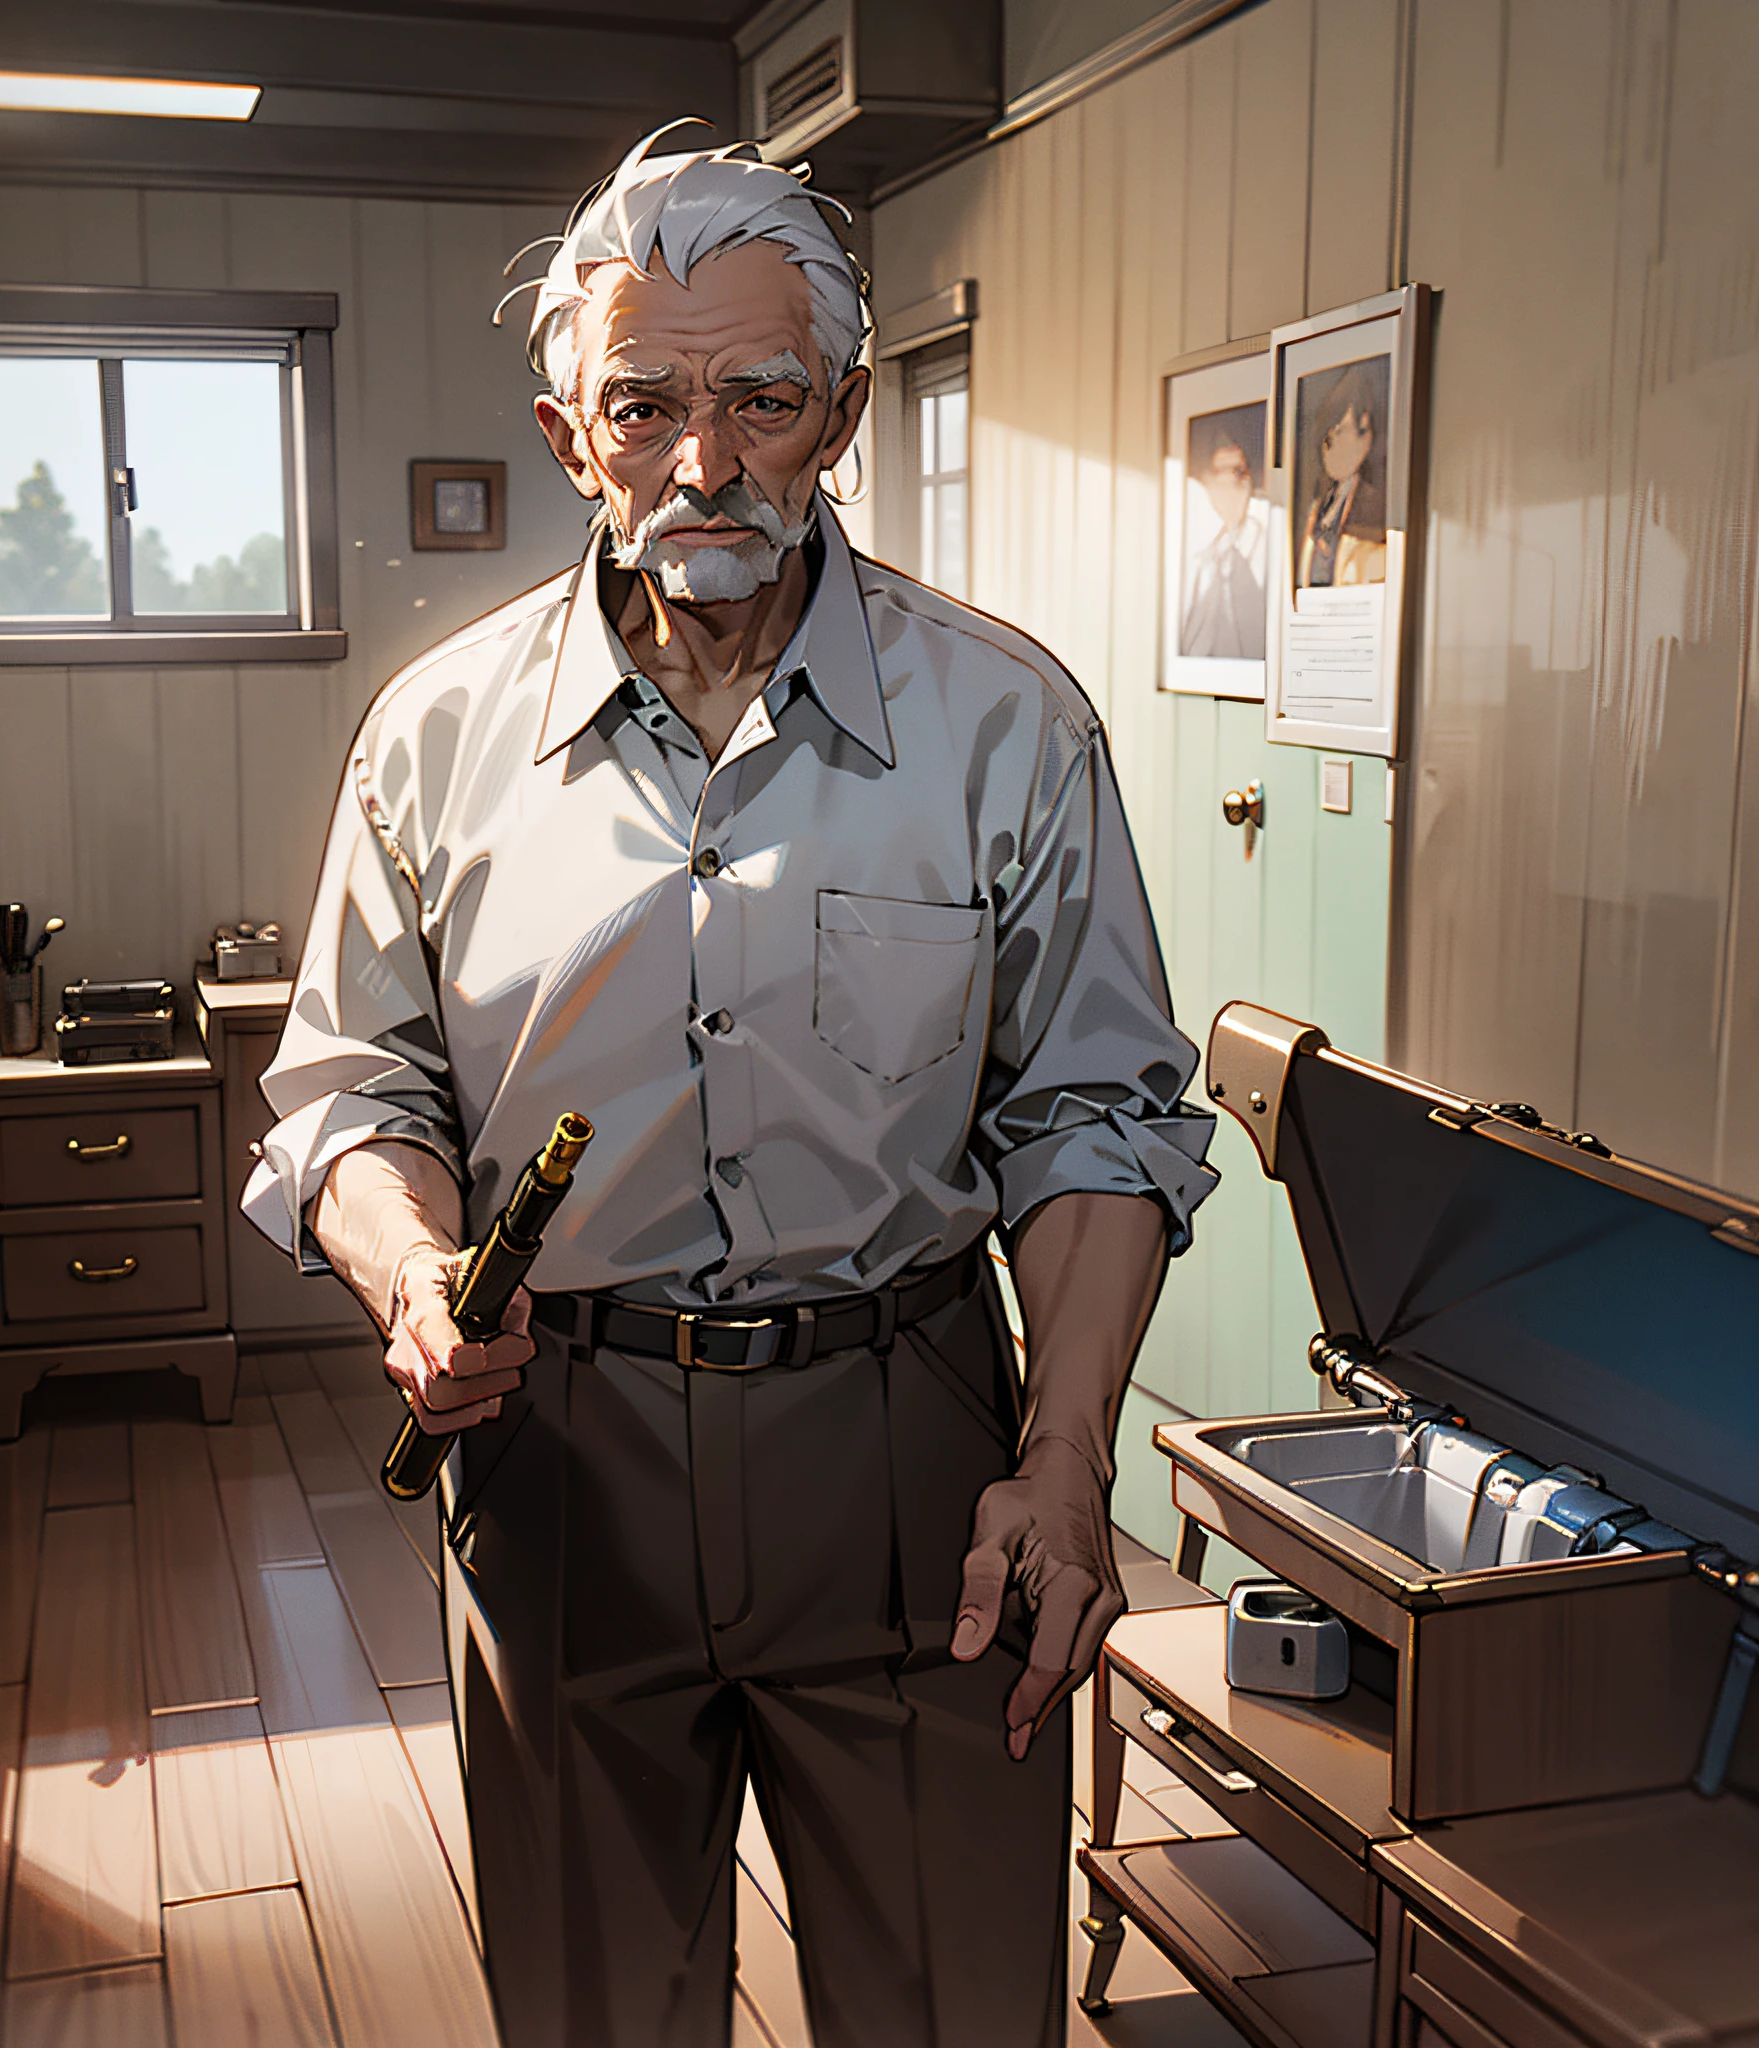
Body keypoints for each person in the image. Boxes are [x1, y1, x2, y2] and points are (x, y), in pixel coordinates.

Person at [244, 134, 1216, 2048]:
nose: (705, 462)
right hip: (563, 1458)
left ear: (841, 408)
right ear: (565, 429)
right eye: (645, 405)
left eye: (761, 400)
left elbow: (1097, 1112)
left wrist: (1070, 1456)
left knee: (950, 2003)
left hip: (922, 1458)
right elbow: (348, 1093)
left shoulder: (1006, 723)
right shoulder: (434, 742)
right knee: (596, 2007)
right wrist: (413, 1268)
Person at [1297, 360, 1388, 588]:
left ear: (1365, 435)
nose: (1329, 447)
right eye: (1327, 438)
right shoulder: (1323, 500)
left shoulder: (1373, 504)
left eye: (1339, 432)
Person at [1180, 425, 1266, 658]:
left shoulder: (1268, 552)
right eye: (1220, 475)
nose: (1229, 487)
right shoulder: (1204, 559)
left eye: (1238, 474)